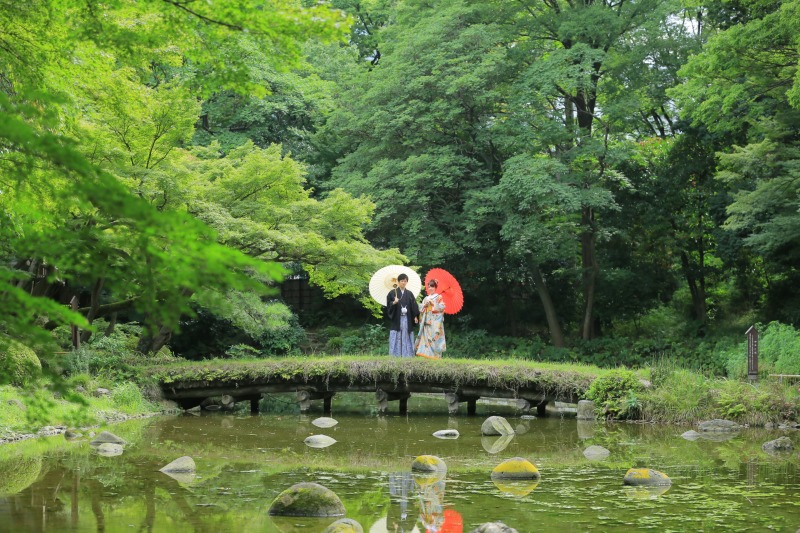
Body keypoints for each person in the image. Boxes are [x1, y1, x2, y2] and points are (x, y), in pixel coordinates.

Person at [387, 273, 420, 357]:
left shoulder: (409, 293)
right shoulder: (392, 293)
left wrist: (415, 316)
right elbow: (388, 305)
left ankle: (407, 354)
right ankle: (395, 355)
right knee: (397, 335)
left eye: (405, 281)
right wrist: (394, 302)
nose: (403, 283)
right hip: (397, 318)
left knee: (406, 335)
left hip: (407, 318)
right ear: (398, 282)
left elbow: (414, 305)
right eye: (402, 281)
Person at [415, 279, 446, 359]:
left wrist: (433, 304)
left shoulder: (439, 297)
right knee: (426, 338)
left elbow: (442, 307)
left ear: (435, 287)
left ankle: (435, 356)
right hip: (426, 320)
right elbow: (421, 308)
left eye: (432, 286)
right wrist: (424, 305)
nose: (430, 288)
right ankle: (427, 355)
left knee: (434, 338)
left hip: (435, 321)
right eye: (429, 287)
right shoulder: (426, 298)